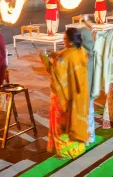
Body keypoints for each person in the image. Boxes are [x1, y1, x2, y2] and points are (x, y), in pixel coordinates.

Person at [47, 28, 89, 159]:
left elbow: (56, 74)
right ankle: (79, 147)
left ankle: (67, 152)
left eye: (65, 39)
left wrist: (45, 59)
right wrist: (55, 55)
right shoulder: (81, 51)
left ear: (70, 42)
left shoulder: (65, 56)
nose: (63, 41)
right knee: (76, 121)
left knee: (63, 125)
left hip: (64, 96)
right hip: (79, 94)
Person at [80, 17, 96, 144]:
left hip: (81, 91)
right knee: (90, 112)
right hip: (91, 90)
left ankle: (83, 137)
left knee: (82, 114)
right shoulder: (94, 53)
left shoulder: (78, 55)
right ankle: (90, 136)